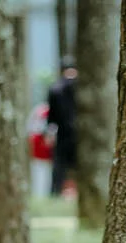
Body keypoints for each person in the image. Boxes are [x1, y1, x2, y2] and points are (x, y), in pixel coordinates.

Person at [46, 57, 78, 197]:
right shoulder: (81, 86)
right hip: (80, 133)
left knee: (59, 166)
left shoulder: (55, 88)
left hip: (63, 133)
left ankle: (56, 192)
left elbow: (51, 117)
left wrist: (49, 133)